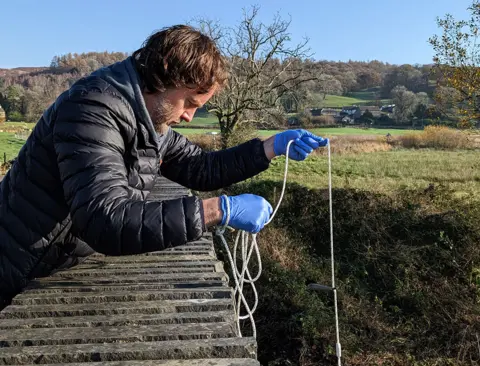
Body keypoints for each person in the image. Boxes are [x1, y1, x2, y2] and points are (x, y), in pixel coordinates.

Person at [0, 25, 327, 309]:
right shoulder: (92, 109)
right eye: (190, 103)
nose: (189, 117)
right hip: (11, 264)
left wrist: (271, 147)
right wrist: (218, 210)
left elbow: (201, 168)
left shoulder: (146, 121)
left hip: (46, 263)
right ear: (163, 77)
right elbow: (106, 220)